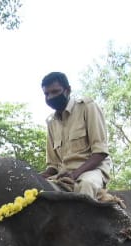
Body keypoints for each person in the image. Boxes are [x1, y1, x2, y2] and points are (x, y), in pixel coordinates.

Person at [39, 71, 112, 200]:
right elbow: (53, 166)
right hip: (63, 175)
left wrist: (74, 174)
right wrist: (36, 176)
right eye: (46, 94)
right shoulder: (51, 122)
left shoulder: (87, 107)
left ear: (67, 90)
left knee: (85, 186)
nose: (50, 97)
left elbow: (100, 152)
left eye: (55, 92)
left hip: (91, 172)